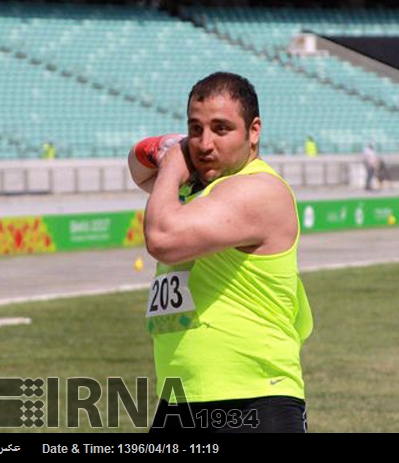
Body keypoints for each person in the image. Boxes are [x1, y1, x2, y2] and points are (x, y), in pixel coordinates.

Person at [127, 71, 313, 433]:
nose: (204, 143)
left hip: (251, 401)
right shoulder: (203, 187)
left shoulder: (258, 190)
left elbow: (162, 238)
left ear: (253, 131)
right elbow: (137, 165)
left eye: (221, 129)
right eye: (195, 129)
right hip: (180, 400)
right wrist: (172, 149)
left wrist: (173, 163)